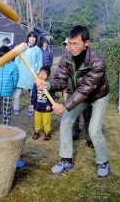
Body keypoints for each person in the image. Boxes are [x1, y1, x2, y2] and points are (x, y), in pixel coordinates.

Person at [37, 25, 110, 177]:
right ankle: (66, 159)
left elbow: (86, 89)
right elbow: (61, 80)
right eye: (69, 43)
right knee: (65, 122)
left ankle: (103, 161)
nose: (71, 47)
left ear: (86, 43)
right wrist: (49, 84)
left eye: (75, 43)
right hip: (79, 94)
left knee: (93, 129)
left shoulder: (97, 62)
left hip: (98, 96)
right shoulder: (66, 57)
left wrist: (65, 106)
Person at [13, 31, 43, 116]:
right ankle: (16, 108)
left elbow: (40, 63)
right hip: (21, 73)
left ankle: (31, 108)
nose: (32, 39)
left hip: (32, 74)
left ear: (36, 39)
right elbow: (16, 61)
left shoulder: (38, 49)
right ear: (28, 38)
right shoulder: (22, 47)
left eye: (34, 37)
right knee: (17, 94)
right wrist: (16, 71)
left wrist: (38, 74)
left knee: (32, 94)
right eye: (30, 37)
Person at [0, 46, 19, 125]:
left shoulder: (13, 66)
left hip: (8, 92)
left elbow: (15, 79)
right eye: (2, 56)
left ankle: (6, 128)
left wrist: (11, 88)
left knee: (6, 111)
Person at [31, 66, 55, 141]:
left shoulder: (49, 85)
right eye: (40, 73)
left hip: (46, 107)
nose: (41, 75)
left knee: (46, 120)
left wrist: (50, 105)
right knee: (37, 120)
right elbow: (34, 94)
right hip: (37, 106)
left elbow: (52, 96)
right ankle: (36, 132)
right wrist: (32, 103)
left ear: (48, 76)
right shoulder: (36, 84)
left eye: (44, 74)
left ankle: (47, 133)